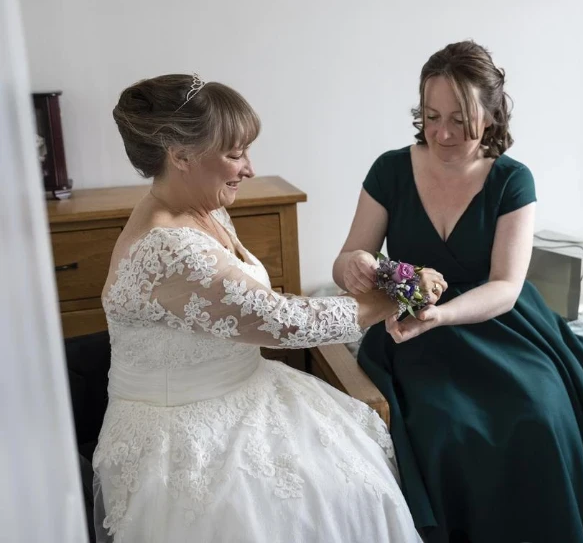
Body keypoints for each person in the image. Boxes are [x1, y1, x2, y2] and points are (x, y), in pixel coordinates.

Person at [333, 42, 583, 543]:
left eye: (461, 118)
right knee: (443, 427)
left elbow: (504, 285)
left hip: (499, 324)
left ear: (493, 113)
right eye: (432, 116)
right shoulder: (390, 170)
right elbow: (350, 255)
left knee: (538, 415)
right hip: (412, 331)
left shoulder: (512, 180)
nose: (443, 133)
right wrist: (356, 265)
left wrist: (443, 315)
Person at [92, 74, 422, 542]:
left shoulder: (205, 210)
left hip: (248, 390)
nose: (249, 168)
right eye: (234, 153)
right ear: (180, 155)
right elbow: (283, 322)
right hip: (182, 432)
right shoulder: (169, 247)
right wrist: (396, 294)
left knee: (353, 484)